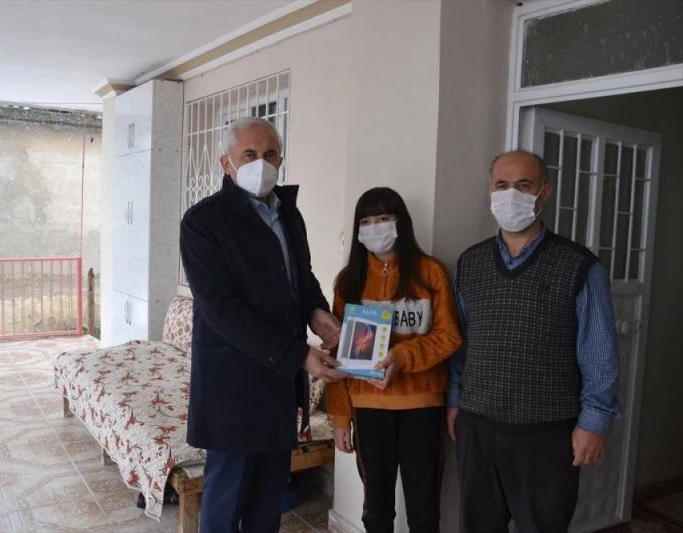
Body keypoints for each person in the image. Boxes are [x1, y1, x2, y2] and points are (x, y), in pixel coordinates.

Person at [179, 117, 346, 533]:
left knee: (268, 499)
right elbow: (220, 309)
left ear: (281, 160)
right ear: (226, 163)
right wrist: (299, 354)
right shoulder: (203, 222)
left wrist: (317, 312)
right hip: (231, 386)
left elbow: (300, 276)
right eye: (249, 155)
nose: (262, 164)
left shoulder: (289, 214)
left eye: (270, 155)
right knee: (225, 500)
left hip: (279, 384)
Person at [446, 150, 620, 533]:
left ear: (545, 192)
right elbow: (461, 344)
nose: (511, 194)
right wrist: (455, 400)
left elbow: (599, 353)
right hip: (477, 426)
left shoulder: (580, 266)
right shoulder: (470, 263)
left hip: (546, 434)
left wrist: (594, 421)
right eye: (502, 185)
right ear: (490, 192)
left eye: (523, 185)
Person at [326, 187, 462, 533]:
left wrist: (402, 357)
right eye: (366, 221)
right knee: (376, 509)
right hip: (368, 407)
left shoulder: (431, 272)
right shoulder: (349, 281)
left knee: (424, 508)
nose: (375, 227)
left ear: (400, 222)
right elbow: (337, 352)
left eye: (383, 218)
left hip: (422, 406)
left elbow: (449, 336)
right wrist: (340, 416)